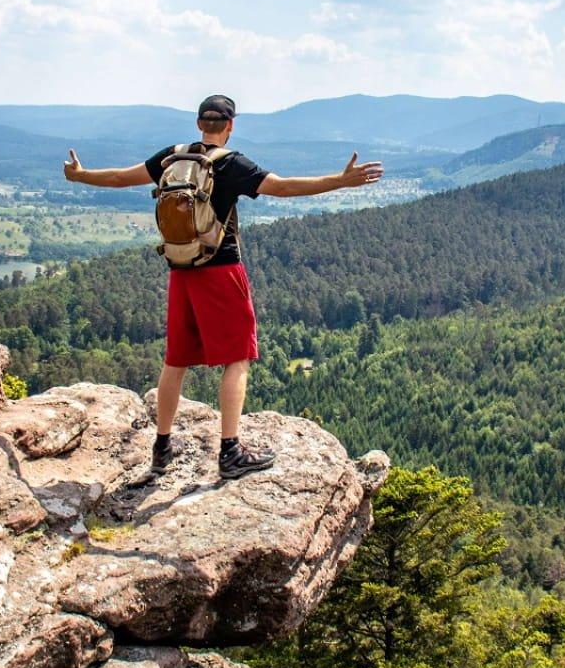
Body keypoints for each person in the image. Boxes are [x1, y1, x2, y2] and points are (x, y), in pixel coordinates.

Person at [62, 94, 384, 479]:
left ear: (200, 124)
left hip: (181, 268)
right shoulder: (230, 163)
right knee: (237, 356)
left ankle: (162, 448)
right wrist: (340, 181)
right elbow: (281, 187)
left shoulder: (173, 157)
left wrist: (80, 175)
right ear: (230, 125)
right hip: (221, 270)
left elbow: (118, 178)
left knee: (175, 359)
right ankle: (230, 451)